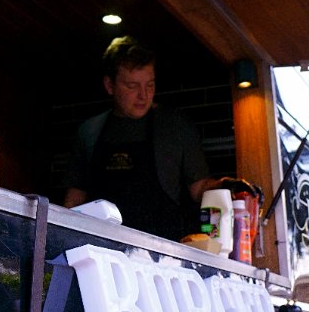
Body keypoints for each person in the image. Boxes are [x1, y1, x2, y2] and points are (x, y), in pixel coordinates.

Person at [62, 35, 224, 241]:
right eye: (132, 86)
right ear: (109, 85)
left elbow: (200, 191)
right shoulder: (90, 131)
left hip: (161, 255)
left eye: (150, 85)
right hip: (101, 254)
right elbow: (74, 201)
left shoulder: (175, 126)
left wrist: (226, 187)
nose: (143, 95)